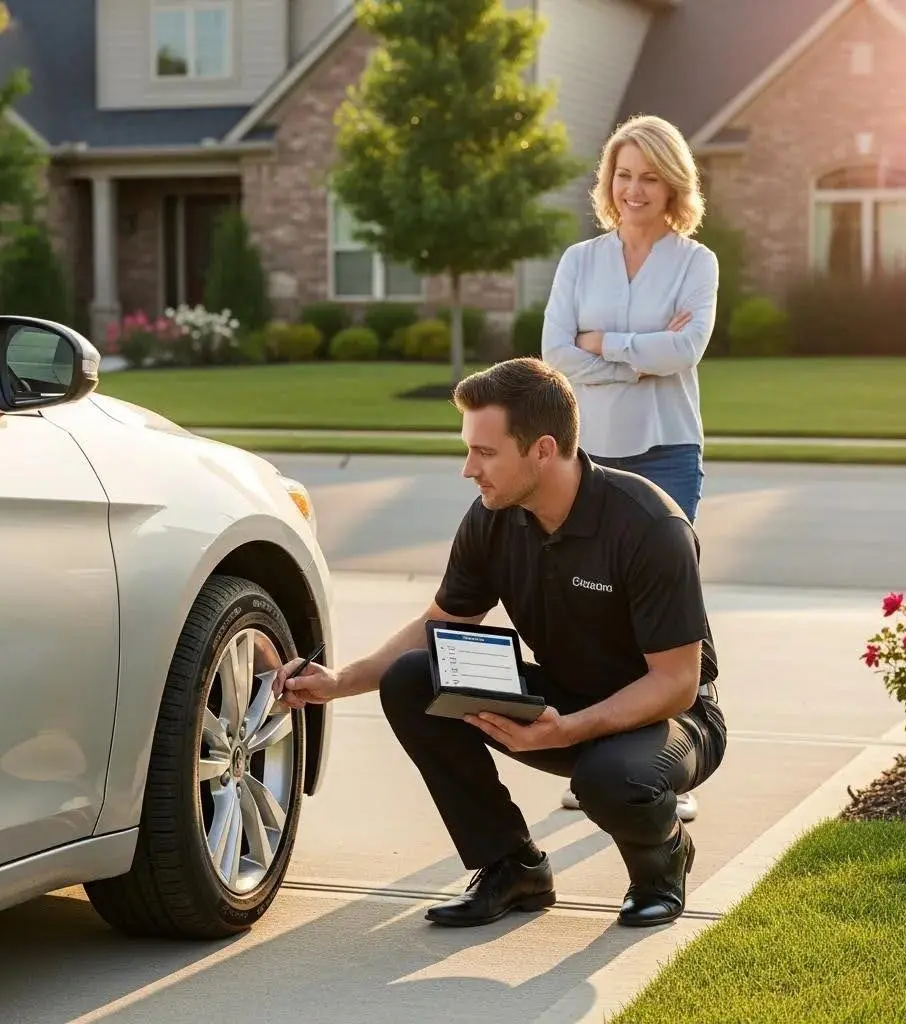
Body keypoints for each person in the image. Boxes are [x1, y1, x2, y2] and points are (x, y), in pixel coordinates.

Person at [272, 357, 727, 930]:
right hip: (561, 700)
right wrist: (340, 682)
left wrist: (572, 729)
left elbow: (676, 682)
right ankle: (512, 866)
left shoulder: (648, 526)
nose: (469, 469)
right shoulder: (494, 517)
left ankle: (662, 864)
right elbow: (441, 623)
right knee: (412, 678)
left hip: (671, 718)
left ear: (541, 449)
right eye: (469, 450)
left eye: (485, 453)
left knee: (608, 778)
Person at [541, 113, 719, 822]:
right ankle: (598, 759)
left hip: (669, 453)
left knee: (667, 614)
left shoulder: (694, 263)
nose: (635, 188)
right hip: (592, 453)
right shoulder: (579, 261)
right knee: (594, 609)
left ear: (672, 184)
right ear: (609, 181)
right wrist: (641, 349)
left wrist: (605, 344)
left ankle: (669, 763)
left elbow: (687, 352)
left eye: (650, 176)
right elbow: (558, 354)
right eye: (625, 174)